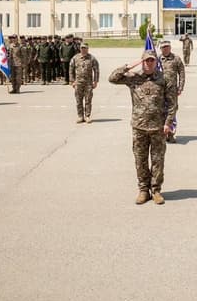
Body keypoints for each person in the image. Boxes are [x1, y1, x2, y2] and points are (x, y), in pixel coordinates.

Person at [109, 51, 170, 205]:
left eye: (152, 61)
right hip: (139, 126)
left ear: (156, 62)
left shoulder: (163, 79)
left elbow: (172, 103)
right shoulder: (133, 78)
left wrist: (168, 122)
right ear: (142, 62)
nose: (149, 63)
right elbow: (113, 78)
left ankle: (156, 190)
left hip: (158, 127)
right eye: (146, 61)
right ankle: (143, 190)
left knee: (158, 161)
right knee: (140, 160)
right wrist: (130, 65)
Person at [158, 40, 185, 142]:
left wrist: (180, 87)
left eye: (167, 47)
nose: (165, 49)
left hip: (172, 91)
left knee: (172, 112)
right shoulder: (157, 59)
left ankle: (171, 134)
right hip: (159, 91)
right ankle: (162, 133)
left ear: (170, 48)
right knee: (160, 112)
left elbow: (182, 73)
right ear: (161, 49)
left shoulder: (176, 59)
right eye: (163, 47)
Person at [70, 43, 100, 123]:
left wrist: (95, 81)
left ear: (87, 49)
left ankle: (87, 116)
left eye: (85, 48)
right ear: (80, 49)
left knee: (88, 100)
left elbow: (96, 70)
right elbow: (71, 70)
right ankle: (80, 116)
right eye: (82, 48)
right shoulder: (75, 58)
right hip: (78, 83)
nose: (83, 49)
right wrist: (72, 81)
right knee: (78, 100)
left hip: (88, 83)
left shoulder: (92, 58)